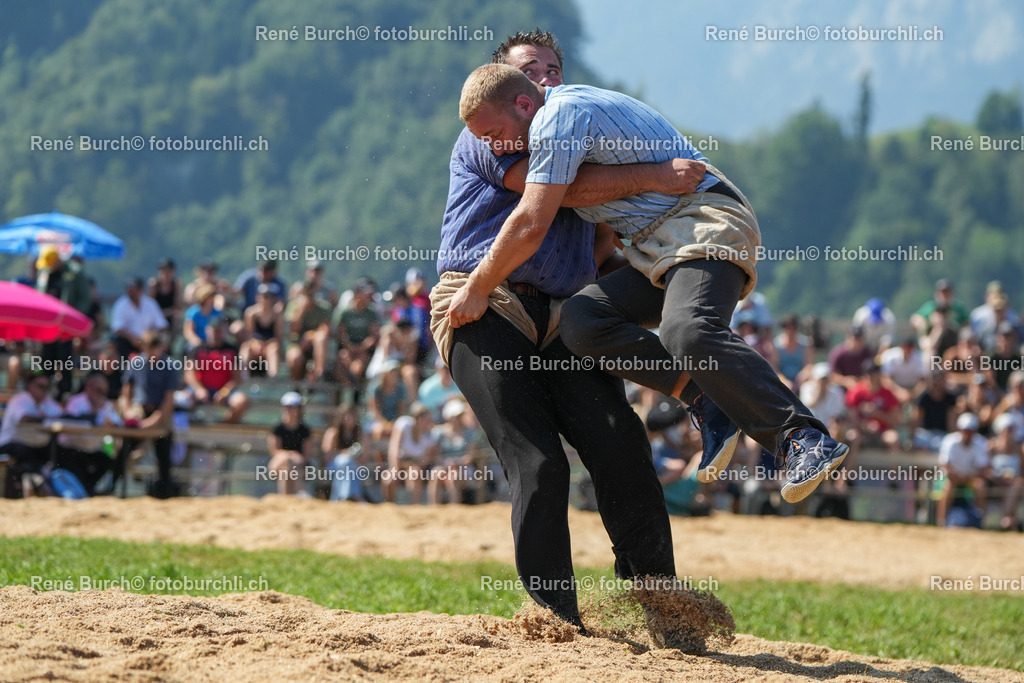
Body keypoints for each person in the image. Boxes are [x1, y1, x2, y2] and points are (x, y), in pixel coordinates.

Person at [449, 61, 848, 506]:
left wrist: (479, 285)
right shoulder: (547, 122)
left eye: (495, 133)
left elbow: (531, 221)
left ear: (524, 104)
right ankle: (708, 397)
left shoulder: (556, 118)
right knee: (583, 319)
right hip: (658, 247)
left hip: (701, 222)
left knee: (687, 330)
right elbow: (577, 196)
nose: (496, 147)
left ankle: (802, 438)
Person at [432, 30, 721, 643]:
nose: (545, 76)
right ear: (506, 90)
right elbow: (557, 192)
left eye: (553, 68)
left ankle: (664, 607)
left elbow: (606, 224)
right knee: (538, 462)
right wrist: (655, 174)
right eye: (529, 68)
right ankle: (554, 623)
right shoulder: (483, 131)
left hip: (564, 310)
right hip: (481, 299)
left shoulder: (574, 135)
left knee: (622, 445)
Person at [119, 332, 180, 498]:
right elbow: (127, 391)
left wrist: (153, 422)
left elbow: (169, 400)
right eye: (148, 348)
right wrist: (128, 412)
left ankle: (164, 491)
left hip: (160, 412)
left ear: (161, 347)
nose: (151, 352)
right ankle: (116, 484)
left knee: (163, 453)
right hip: (139, 409)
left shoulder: (169, 365)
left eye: (154, 348)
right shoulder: (136, 362)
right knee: (124, 448)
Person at [35, 245, 90, 399]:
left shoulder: (75, 272)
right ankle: (44, 390)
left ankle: (65, 392)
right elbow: (39, 296)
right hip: (48, 324)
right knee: (46, 359)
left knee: (65, 358)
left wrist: (73, 318)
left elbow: (84, 299)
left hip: (65, 325)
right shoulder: (45, 273)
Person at [57, 372, 122, 495]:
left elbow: (118, 423)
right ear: (88, 387)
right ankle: (87, 491)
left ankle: (91, 490)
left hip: (91, 449)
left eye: (104, 391)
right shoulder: (76, 402)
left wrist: (111, 422)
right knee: (74, 463)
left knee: (109, 460)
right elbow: (74, 422)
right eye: (99, 390)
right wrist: (94, 411)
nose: (102, 394)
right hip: (71, 448)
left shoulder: (105, 404)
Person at [0, 371, 63, 498]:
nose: (44, 390)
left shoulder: (44, 401)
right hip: (10, 444)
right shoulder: (21, 399)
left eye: (46, 387)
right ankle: (21, 491)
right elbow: (24, 418)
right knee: (28, 454)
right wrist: (44, 419)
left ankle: (42, 489)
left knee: (56, 453)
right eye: (40, 386)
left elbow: (62, 413)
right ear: (30, 385)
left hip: (32, 446)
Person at [183, 320, 249, 423]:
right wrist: (199, 389)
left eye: (219, 331)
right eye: (214, 330)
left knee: (241, 401)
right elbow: (189, 375)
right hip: (200, 389)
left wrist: (224, 392)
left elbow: (237, 378)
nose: (216, 334)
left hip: (225, 391)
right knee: (181, 400)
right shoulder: (197, 349)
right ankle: (189, 427)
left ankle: (225, 425)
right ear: (207, 330)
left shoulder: (232, 350)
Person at [937, 413, 990, 527]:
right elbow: (945, 467)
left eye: (970, 431)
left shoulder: (980, 443)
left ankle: (980, 523)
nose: (967, 434)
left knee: (980, 486)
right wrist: (958, 477)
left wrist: (966, 478)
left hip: (970, 479)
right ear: (959, 430)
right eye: (965, 430)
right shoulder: (950, 441)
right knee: (948, 486)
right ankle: (941, 522)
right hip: (953, 478)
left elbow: (983, 470)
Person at [386, 402, 439, 504]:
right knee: (388, 478)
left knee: (415, 473)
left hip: (415, 467)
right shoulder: (404, 424)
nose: (429, 423)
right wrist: (395, 469)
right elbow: (394, 448)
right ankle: (390, 506)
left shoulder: (431, 436)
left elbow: (425, 461)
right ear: (418, 418)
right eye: (427, 419)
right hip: (399, 464)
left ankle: (414, 506)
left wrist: (407, 465)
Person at [110, 277, 168, 361]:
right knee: (118, 342)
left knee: (162, 343)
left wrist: (150, 337)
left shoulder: (150, 304)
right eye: (128, 288)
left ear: (140, 289)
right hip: (128, 342)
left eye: (133, 288)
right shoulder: (120, 305)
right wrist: (131, 337)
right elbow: (117, 328)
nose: (130, 291)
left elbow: (162, 325)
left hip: (149, 341)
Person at [284, 280, 332, 381]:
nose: (309, 296)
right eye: (306, 293)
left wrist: (310, 336)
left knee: (321, 338)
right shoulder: (294, 306)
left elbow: (325, 330)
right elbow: (293, 329)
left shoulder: (324, 307)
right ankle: (296, 385)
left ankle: (319, 374)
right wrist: (301, 310)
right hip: (297, 344)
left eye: (311, 293)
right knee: (294, 358)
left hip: (316, 346)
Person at [267, 391, 312, 496]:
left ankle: (285, 499)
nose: (289, 410)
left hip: (298, 465)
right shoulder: (277, 429)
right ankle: (302, 491)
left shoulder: (304, 430)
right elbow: (275, 452)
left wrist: (292, 459)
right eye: (287, 407)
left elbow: (305, 456)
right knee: (287, 462)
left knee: (286, 470)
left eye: (292, 407)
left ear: (299, 409)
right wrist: (291, 455)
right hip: (281, 462)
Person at [182, 283, 224, 351]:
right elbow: (188, 331)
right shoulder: (193, 312)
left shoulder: (218, 313)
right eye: (210, 296)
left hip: (215, 343)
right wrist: (197, 341)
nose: (213, 298)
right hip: (198, 343)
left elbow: (223, 328)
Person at [149, 258, 183, 336]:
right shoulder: (154, 285)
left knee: (177, 316)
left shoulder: (176, 285)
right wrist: (161, 313)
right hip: (156, 314)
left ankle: (170, 344)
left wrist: (168, 312)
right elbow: (149, 306)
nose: (166, 275)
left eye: (169, 272)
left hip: (170, 314)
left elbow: (178, 306)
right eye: (163, 271)